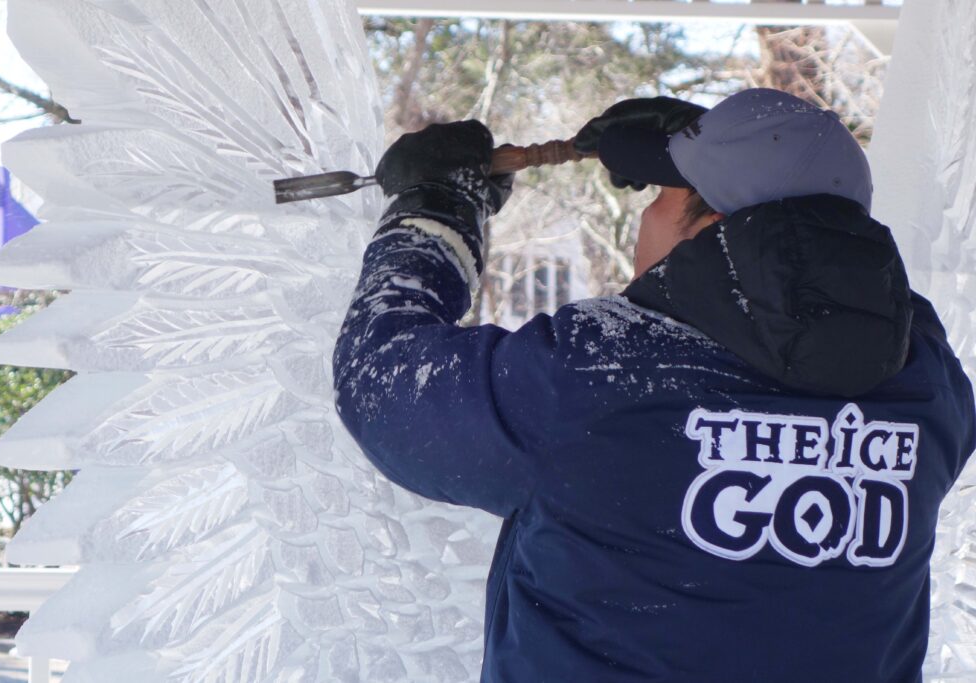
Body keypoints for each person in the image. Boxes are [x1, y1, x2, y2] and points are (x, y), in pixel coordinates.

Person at [331, 88, 975, 682]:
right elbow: (818, 282)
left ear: (717, 221)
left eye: (661, 197)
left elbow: (383, 380)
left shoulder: (598, 373)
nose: (647, 216)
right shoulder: (930, 386)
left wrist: (435, 213)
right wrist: (733, 145)